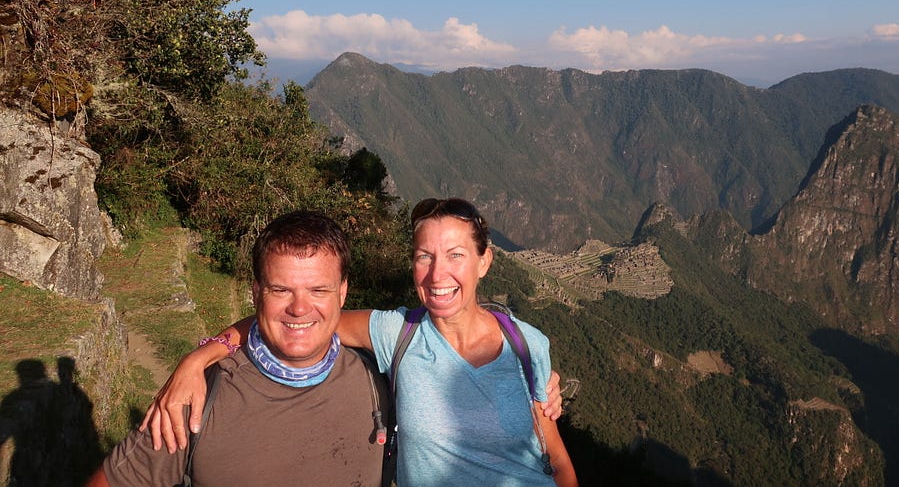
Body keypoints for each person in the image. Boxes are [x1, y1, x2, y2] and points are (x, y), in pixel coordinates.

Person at [148, 198, 578, 487]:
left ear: (484, 261)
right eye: (424, 256)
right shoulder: (397, 334)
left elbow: (553, 455)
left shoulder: (527, 343)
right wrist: (200, 357)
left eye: (455, 255)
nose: (436, 274)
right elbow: (295, 315)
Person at [85, 210, 390, 486]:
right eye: (281, 290)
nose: (299, 308)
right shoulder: (196, 398)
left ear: (342, 293)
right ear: (257, 293)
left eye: (318, 290)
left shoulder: (380, 379)